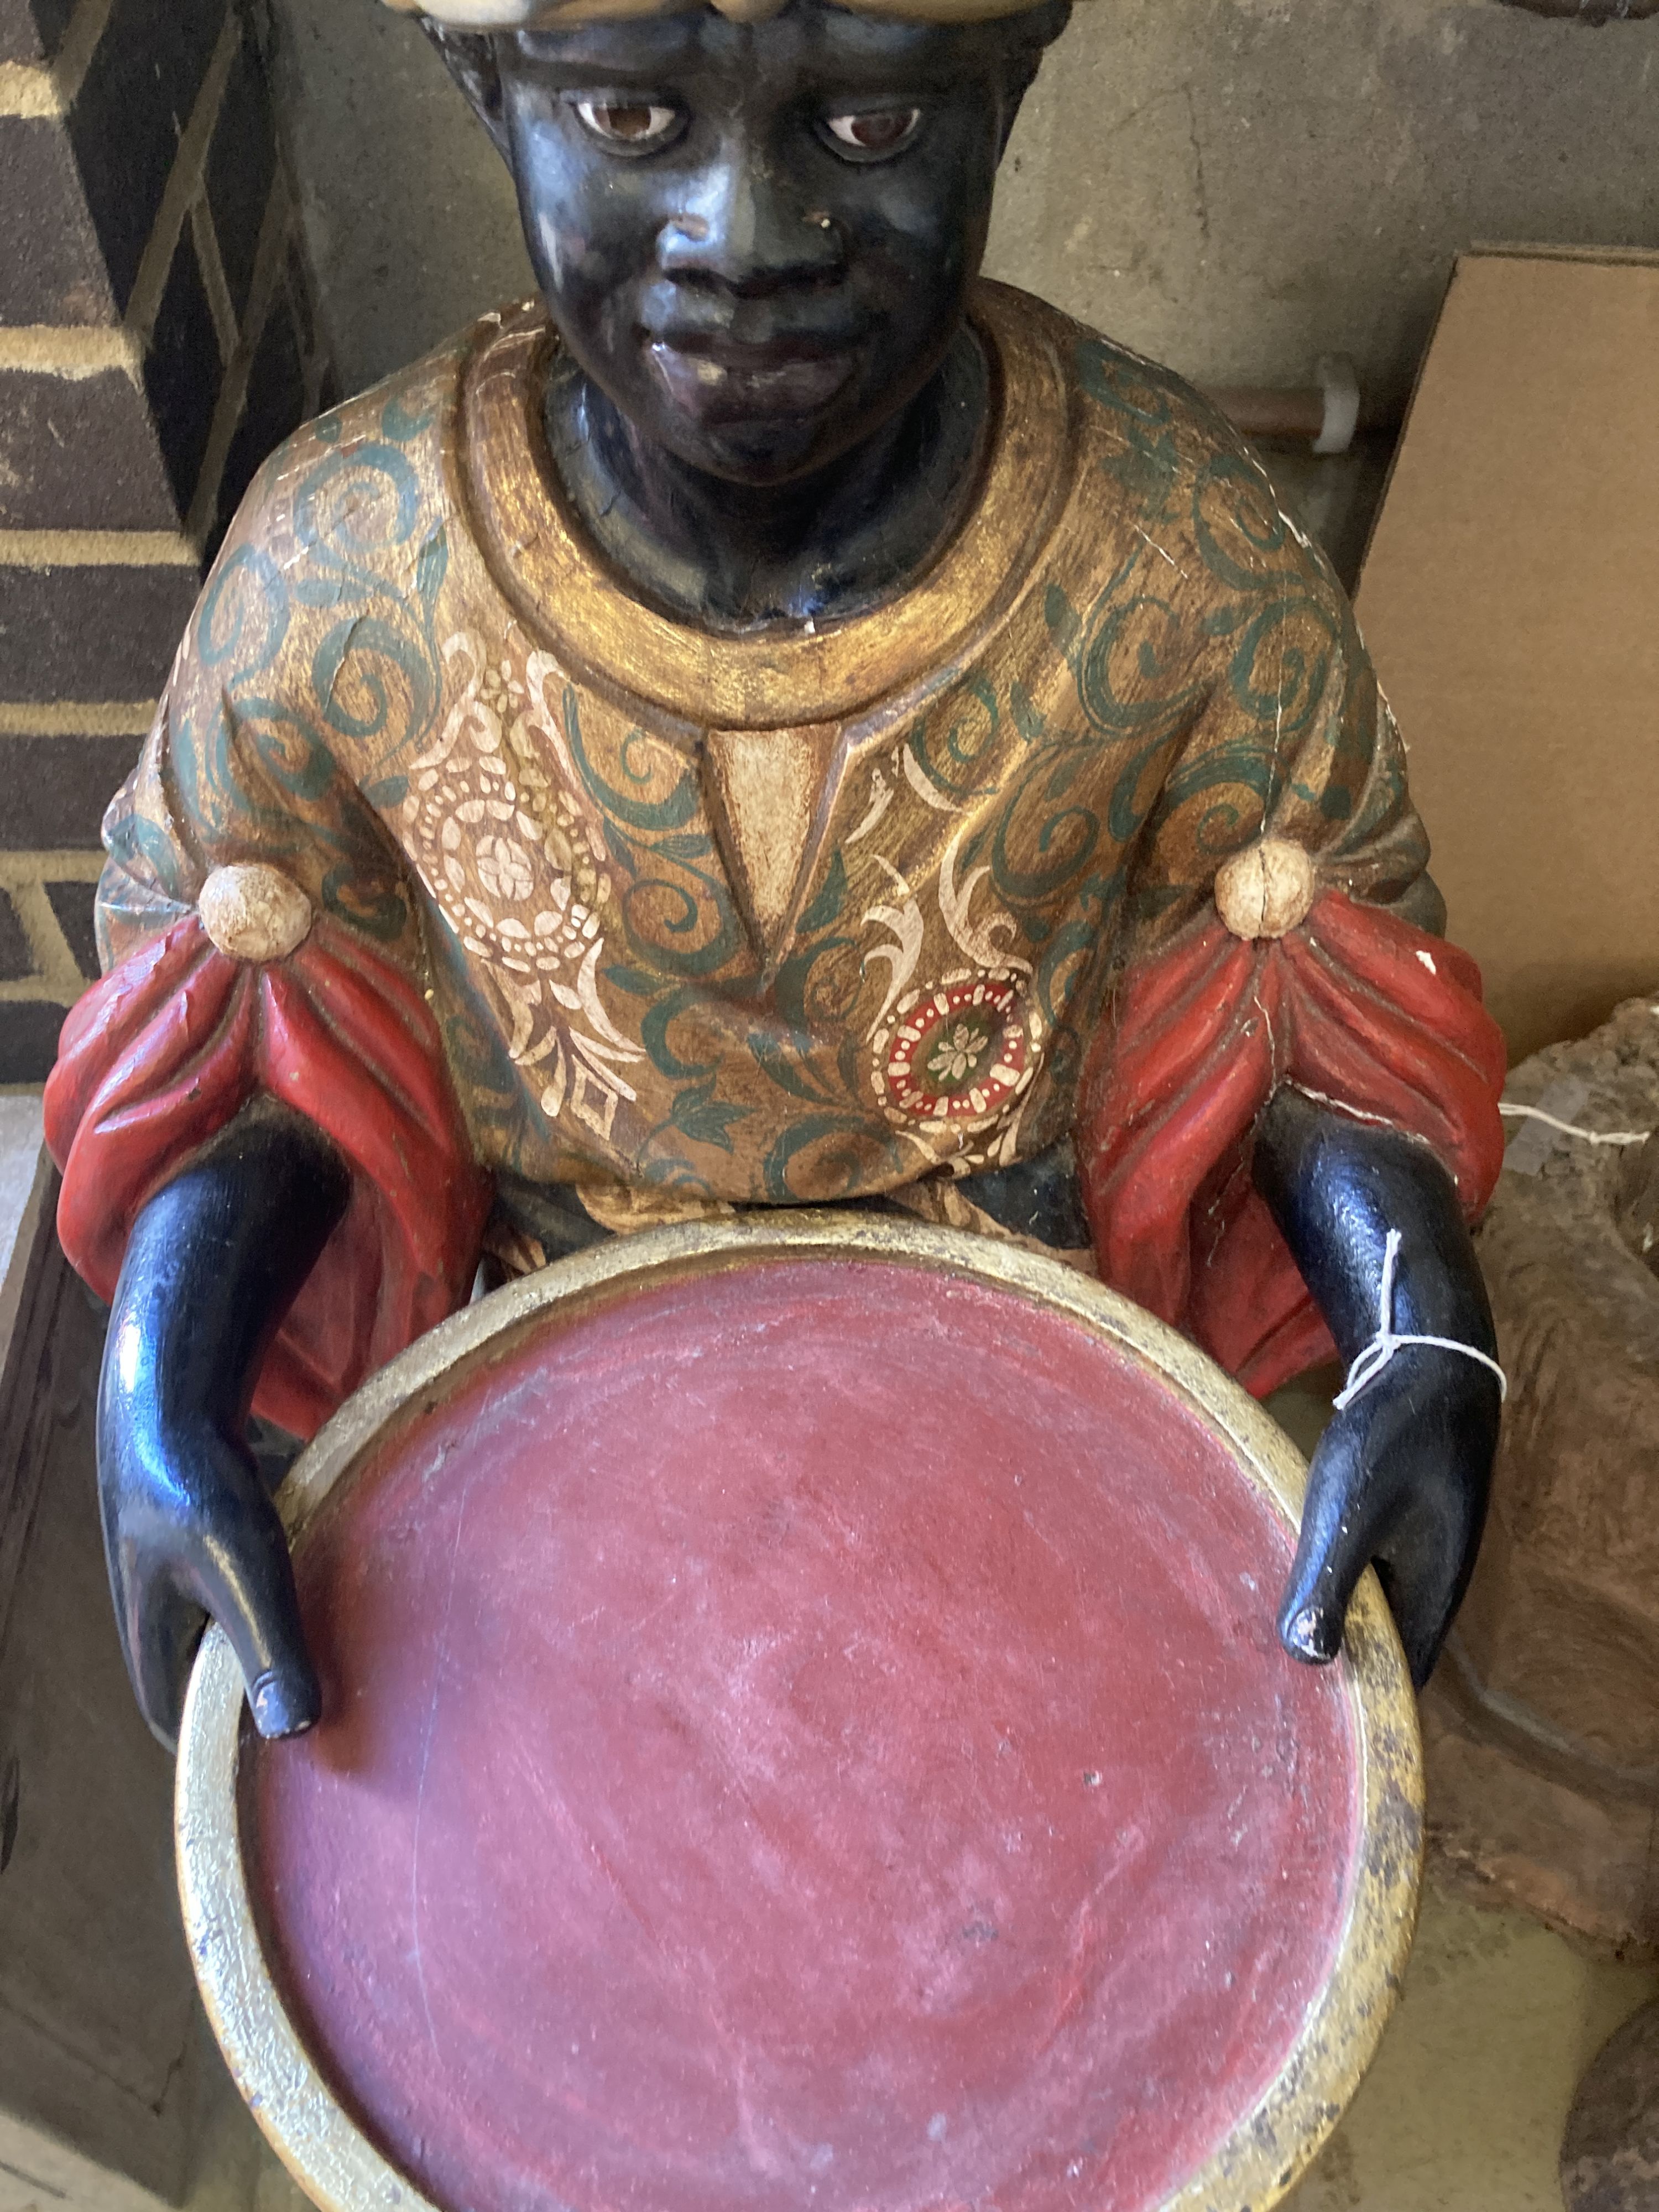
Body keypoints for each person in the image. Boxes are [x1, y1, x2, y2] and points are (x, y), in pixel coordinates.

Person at [45, 0, 1508, 1749]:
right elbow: (249, 1038)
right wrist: (161, 1378)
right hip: (533, 1366)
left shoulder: (1179, 562)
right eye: (632, 117)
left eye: (871, 127)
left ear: (1005, 88)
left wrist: (1423, 1328)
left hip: (1016, 1354)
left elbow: (1312, 1009)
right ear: (487, 88)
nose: (746, 239)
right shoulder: (343, 572)